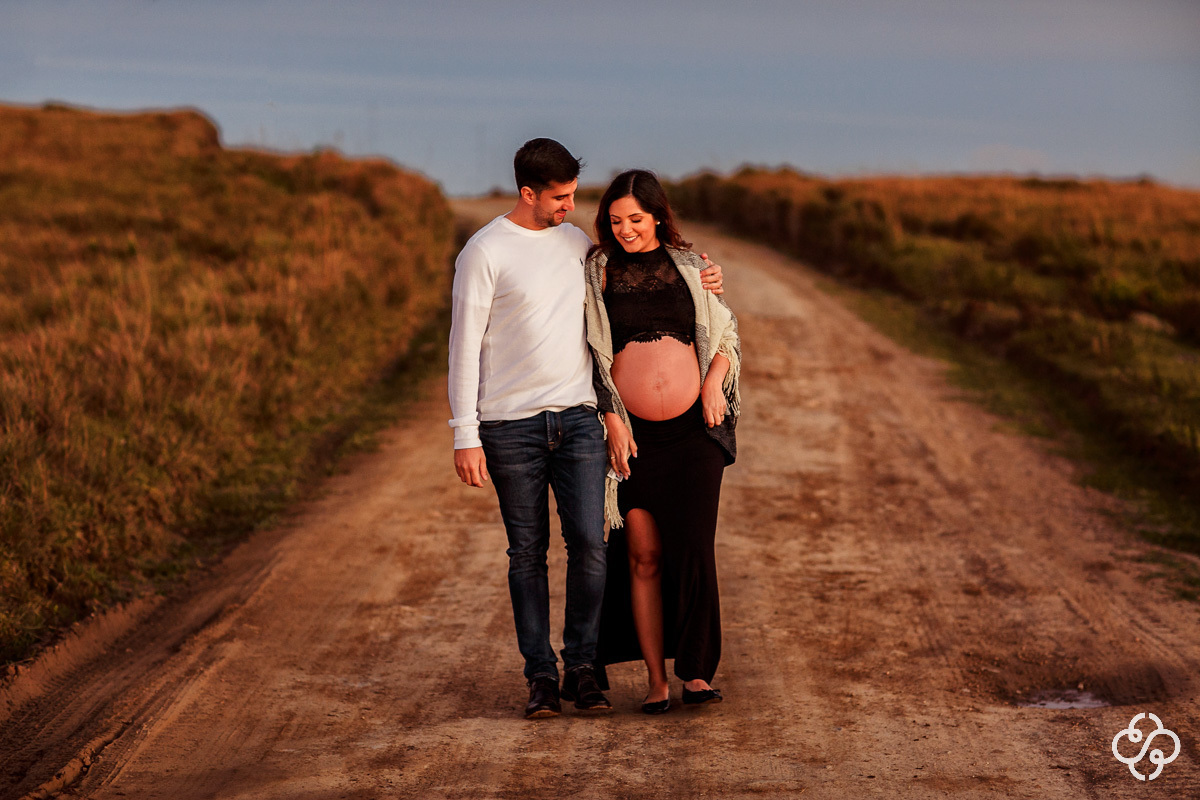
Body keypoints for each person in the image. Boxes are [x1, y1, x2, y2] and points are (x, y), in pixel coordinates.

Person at [448, 140, 723, 719]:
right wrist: (464, 433)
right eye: (561, 197)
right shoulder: (486, 252)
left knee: (593, 548)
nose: (572, 208)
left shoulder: (579, 247)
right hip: (510, 425)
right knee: (527, 554)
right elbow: (463, 347)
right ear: (529, 194)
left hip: (577, 418)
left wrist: (707, 282)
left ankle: (584, 669)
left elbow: (695, 308)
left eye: (575, 196)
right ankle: (542, 679)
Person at [584, 169, 740, 714]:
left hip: (693, 433)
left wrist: (715, 382)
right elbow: (589, 350)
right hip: (633, 436)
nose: (624, 229)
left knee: (694, 550)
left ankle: (695, 672)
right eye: (615, 220)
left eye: (635, 218)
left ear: (656, 216)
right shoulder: (597, 272)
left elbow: (725, 334)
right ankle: (655, 680)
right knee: (642, 555)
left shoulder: (693, 268)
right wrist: (610, 415)